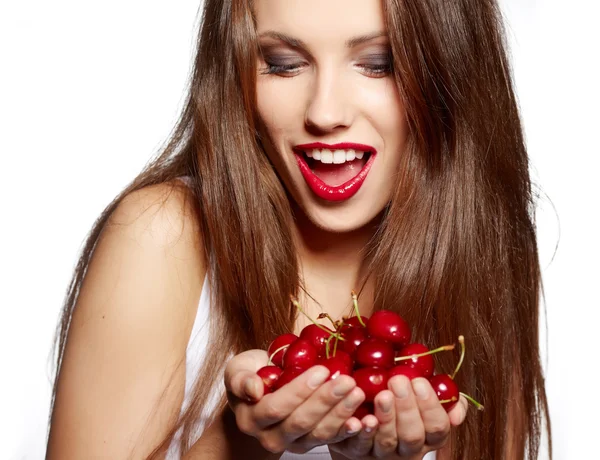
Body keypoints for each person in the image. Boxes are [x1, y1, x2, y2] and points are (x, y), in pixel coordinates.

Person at [45, 0, 552, 458]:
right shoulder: (161, 237)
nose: (323, 113)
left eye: (378, 65)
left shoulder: (488, 253)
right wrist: (237, 443)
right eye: (284, 65)